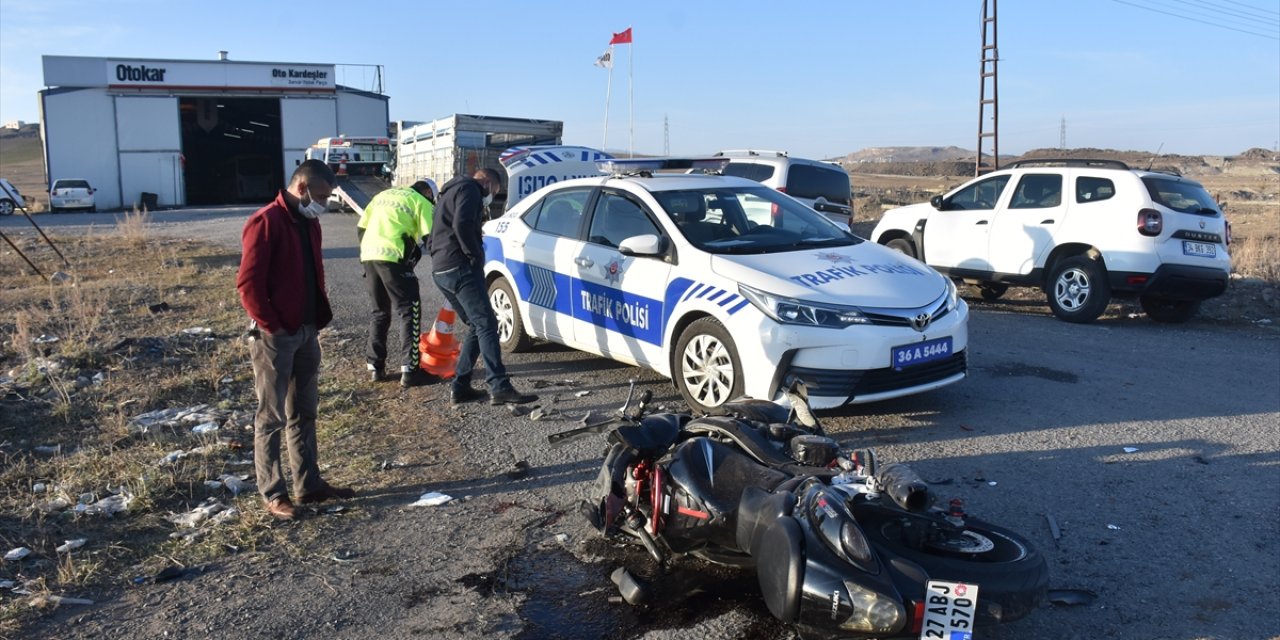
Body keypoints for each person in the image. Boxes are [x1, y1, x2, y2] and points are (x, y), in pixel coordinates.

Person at [236, 159, 354, 520]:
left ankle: (309, 484)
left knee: (304, 412)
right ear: (301, 188)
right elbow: (248, 285)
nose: (324, 202)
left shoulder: (309, 222)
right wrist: (272, 325)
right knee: (270, 417)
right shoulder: (266, 222)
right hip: (275, 336)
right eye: (320, 195)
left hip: (305, 331)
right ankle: (273, 493)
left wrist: (311, 322)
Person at [429, 168, 538, 406]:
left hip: (441, 268)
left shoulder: (449, 192)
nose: (491, 196)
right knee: (488, 324)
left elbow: (439, 228)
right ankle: (498, 385)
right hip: (460, 267)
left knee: (477, 326)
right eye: (494, 192)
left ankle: (460, 386)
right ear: (487, 182)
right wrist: (475, 255)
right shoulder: (470, 189)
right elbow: (462, 224)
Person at [357, 179, 439, 387]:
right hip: (394, 257)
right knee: (409, 310)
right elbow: (431, 239)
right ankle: (410, 371)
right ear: (428, 192)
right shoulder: (421, 202)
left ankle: (375, 367)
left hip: (369, 256)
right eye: (433, 197)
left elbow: (361, 228)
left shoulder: (382, 196)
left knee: (380, 312)